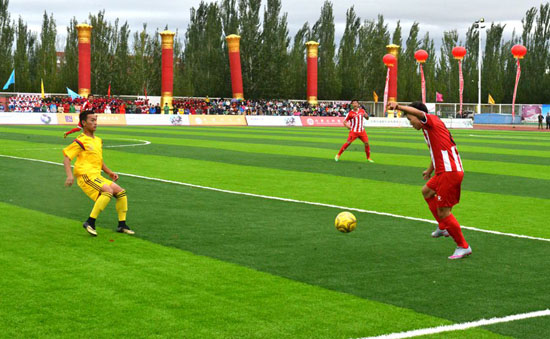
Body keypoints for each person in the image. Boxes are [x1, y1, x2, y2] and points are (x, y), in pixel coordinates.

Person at [387, 101, 471, 259]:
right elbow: (437, 151)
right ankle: (443, 227)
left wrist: (398, 106)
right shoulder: (429, 129)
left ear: (418, 115)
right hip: (443, 171)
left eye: (410, 119)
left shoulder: (430, 119)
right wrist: (429, 170)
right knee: (426, 191)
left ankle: (463, 246)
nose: (411, 124)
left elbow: (420, 114)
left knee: (443, 211)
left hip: (449, 171)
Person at [62, 111, 134, 236]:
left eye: (96, 120)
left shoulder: (98, 140)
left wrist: (109, 172)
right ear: (84, 123)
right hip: (85, 175)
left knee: (121, 192)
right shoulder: (80, 140)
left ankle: (122, 225)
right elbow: (67, 158)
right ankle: (90, 222)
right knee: (108, 191)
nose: (95, 123)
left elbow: (99, 160)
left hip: (96, 175)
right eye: (92, 120)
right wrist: (69, 175)